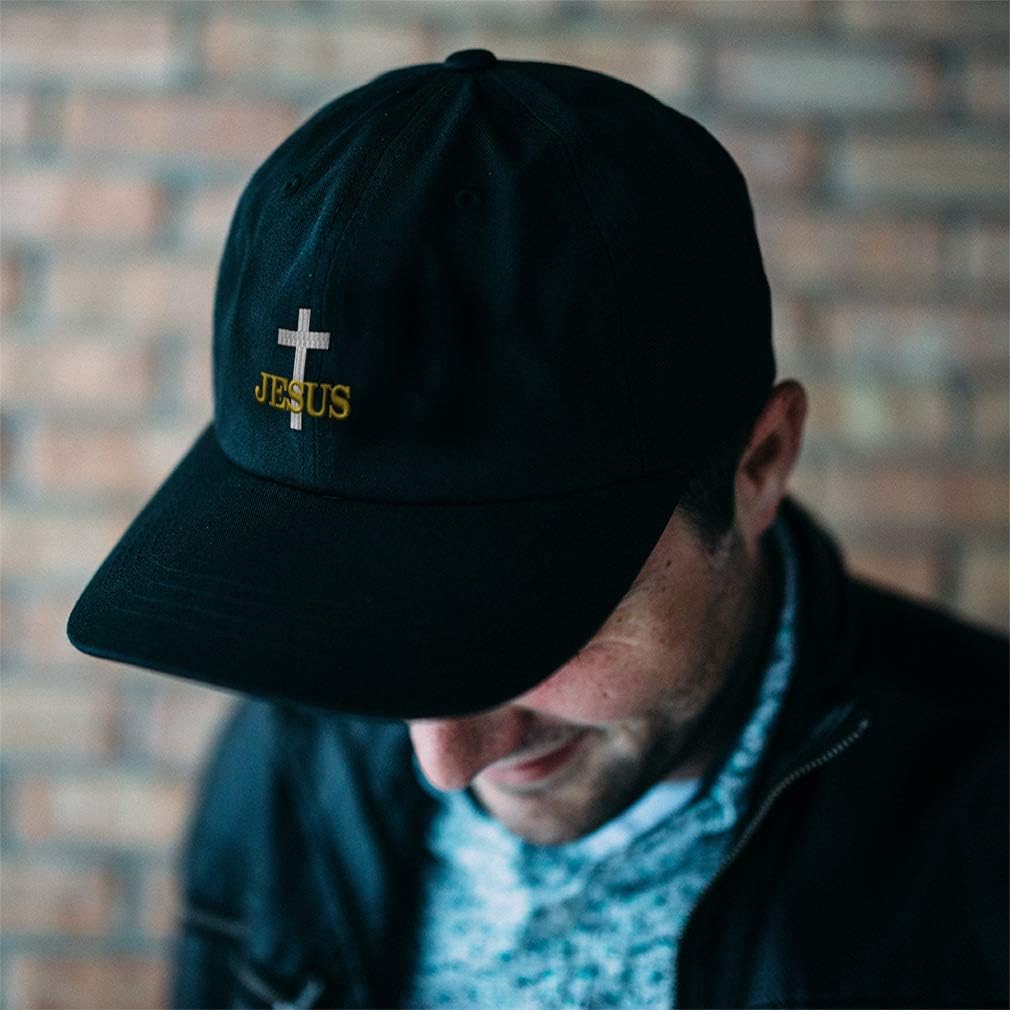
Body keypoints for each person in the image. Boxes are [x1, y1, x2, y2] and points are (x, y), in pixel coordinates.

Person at [67, 50, 1008, 1009]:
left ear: (759, 464)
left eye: (526, 623)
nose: (442, 761)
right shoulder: (289, 754)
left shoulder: (981, 832)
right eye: (348, 608)